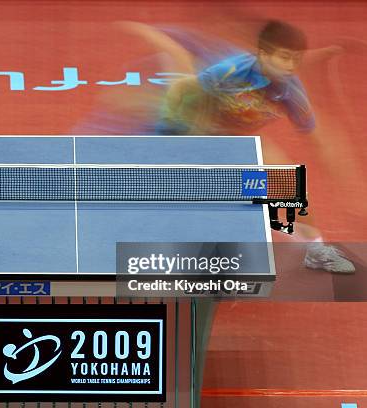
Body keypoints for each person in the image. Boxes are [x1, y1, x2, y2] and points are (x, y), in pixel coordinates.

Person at [122, 20, 355, 273]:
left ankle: (316, 251)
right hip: (200, 133)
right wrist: (171, 133)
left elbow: (318, 139)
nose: (290, 66)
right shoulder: (230, 72)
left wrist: (345, 180)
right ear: (263, 54)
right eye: (284, 57)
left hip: (242, 140)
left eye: (295, 59)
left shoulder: (291, 92)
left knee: (291, 184)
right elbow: (182, 89)